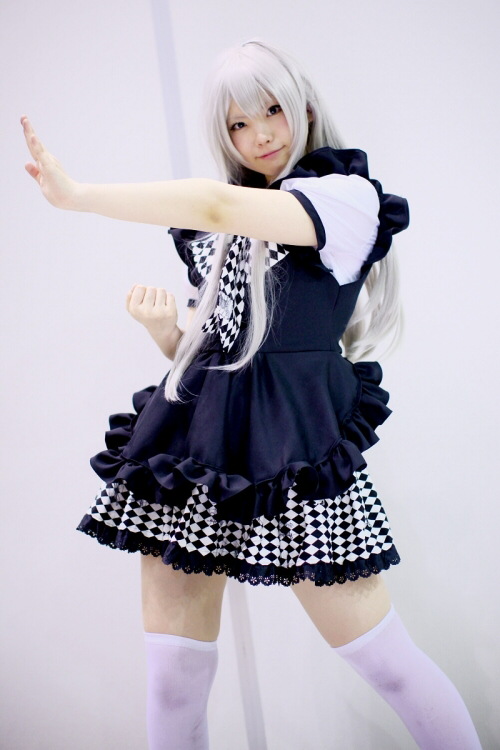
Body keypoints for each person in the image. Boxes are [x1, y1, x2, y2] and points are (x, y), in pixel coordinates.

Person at [21, 39, 481, 750]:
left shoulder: (343, 198)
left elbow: (212, 202)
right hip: (194, 444)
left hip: (294, 446)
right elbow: (224, 352)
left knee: (387, 664)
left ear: (304, 106)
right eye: (238, 123)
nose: (260, 134)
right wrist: (168, 334)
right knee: (173, 679)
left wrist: (78, 195)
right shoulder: (235, 220)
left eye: (271, 110)